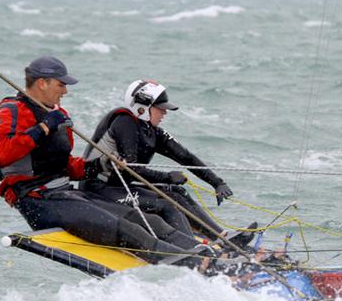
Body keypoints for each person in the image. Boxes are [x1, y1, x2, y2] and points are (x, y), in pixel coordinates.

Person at [0, 56, 208, 267]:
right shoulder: (11, 110)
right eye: (61, 84)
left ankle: (212, 255)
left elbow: (65, 166)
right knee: (131, 231)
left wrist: (101, 165)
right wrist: (44, 127)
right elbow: (2, 153)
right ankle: (201, 266)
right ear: (42, 83)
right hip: (37, 201)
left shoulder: (56, 113)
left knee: (151, 222)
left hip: (66, 194)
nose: (65, 91)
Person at [81, 79, 255, 246]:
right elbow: (130, 170)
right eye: (160, 108)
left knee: (177, 192)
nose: (165, 112)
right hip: (98, 190)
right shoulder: (124, 122)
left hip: (118, 188)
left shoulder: (152, 131)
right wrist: (167, 177)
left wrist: (216, 182)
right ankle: (194, 250)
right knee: (166, 203)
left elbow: (186, 158)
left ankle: (222, 238)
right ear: (143, 107)